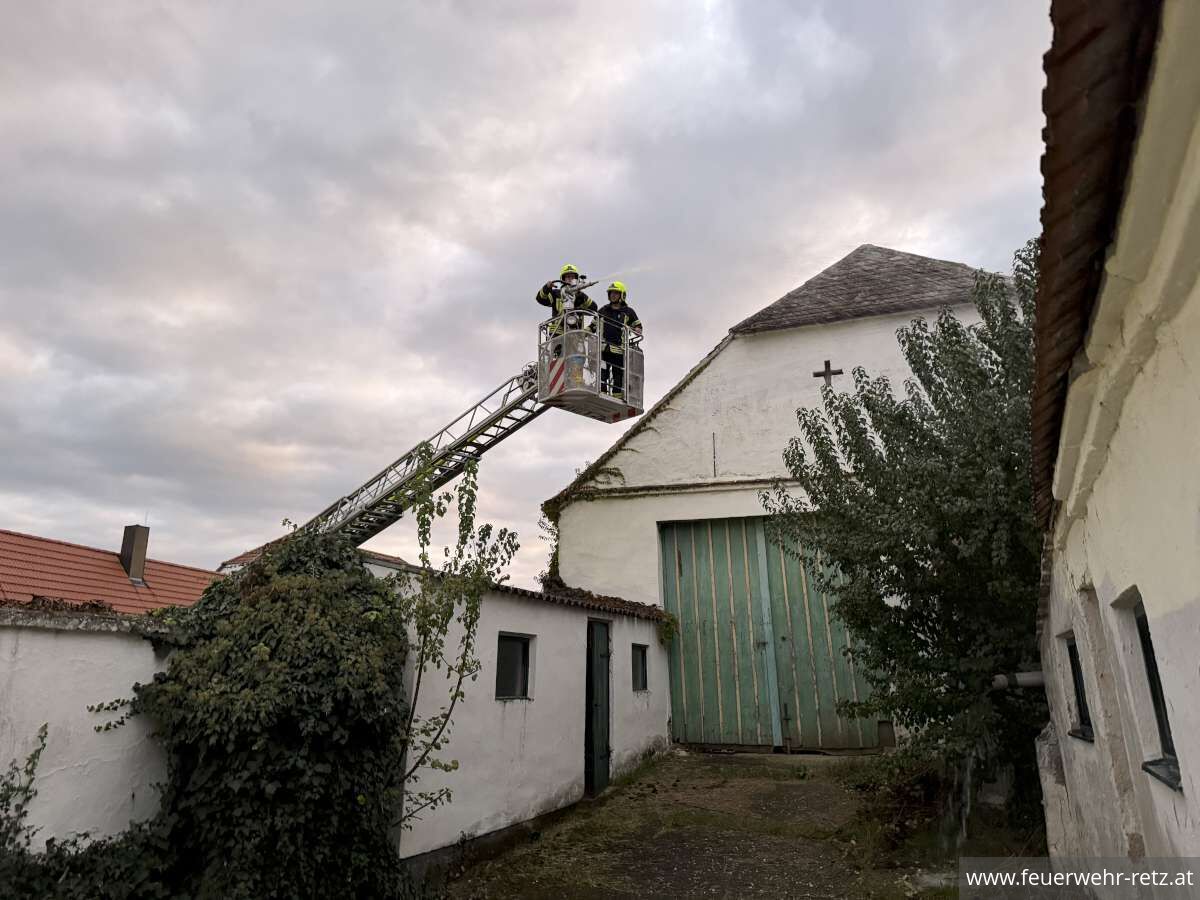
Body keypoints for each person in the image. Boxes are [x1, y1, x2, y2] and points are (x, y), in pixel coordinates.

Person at [598, 280, 641, 400]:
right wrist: (585, 332)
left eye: (616, 293)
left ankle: (617, 397)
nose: (613, 295)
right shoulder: (603, 310)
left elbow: (638, 326)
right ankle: (603, 395)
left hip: (619, 351)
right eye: (611, 293)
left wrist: (637, 329)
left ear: (622, 295)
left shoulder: (628, 311)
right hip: (603, 350)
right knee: (602, 374)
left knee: (618, 376)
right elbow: (593, 325)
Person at [536, 264, 598, 336]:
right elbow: (540, 299)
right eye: (568, 277)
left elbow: (594, 308)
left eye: (572, 277)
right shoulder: (556, 294)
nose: (570, 279)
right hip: (557, 334)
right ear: (563, 279)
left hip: (575, 334)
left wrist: (581, 299)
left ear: (577, 279)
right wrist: (546, 288)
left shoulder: (580, 296)